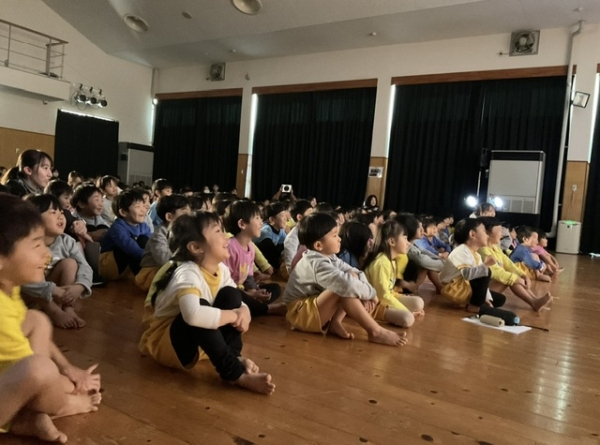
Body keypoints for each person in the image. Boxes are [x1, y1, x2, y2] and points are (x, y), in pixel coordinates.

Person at [0, 194, 101, 443]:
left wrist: (68, 370)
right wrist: (65, 392)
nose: (47, 255)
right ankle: (60, 408)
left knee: (37, 320)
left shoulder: (8, 289)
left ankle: (24, 418)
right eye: (36, 245)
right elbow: (34, 369)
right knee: (42, 371)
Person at [139, 212, 276, 395]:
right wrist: (234, 315)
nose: (226, 236)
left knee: (231, 294)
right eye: (218, 231)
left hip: (201, 340)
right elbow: (193, 315)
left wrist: (244, 311)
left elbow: (234, 296)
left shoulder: (221, 269)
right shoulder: (187, 272)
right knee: (201, 308)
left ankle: (234, 356)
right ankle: (234, 373)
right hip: (169, 344)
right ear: (196, 247)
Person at [282, 212, 407, 346]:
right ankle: (375, 331)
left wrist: (368, 294)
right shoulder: (316, 263)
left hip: (310, 306)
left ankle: (335, 322)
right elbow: (347, 285)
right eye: (335, 235)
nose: (339, 239)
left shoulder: (329, 256)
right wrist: (371, 295)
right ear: (318, 245)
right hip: (299, 313)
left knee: (350, 277)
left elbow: (357, 272)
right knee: (343, 285)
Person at [21, 194, 93, 328]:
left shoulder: (67, 241)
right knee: (37, 267)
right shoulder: (25, 243)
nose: (61, 216)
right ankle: (54, 311)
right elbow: (22, 280)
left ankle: (68, 308)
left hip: (55, 294)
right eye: (53, 212)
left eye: (61, 212)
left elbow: (85, 266)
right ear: (34, 219)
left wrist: (79, 286)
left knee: (70, 263)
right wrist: (53, 290)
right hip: (26, 296)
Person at [222, 200, 285, 317]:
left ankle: (254, 306)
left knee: (275, 288)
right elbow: (225, 284)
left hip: (243, 290)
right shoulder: (230, 247)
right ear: (242, 224)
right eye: (257, 218)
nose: (261, 222)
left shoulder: (250, 247)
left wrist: (254, 291)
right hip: (231, 291)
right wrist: (251, 295)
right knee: (233, 297)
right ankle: (266, 309)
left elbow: (249, 277)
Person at [478, 218, 552, 311]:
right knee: (511, 279)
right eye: (499, 231)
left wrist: (523, 275)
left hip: (488, 286)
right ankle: (533, 302)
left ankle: (535, 300)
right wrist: (516, 278)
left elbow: (508, 263)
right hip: (481, 290)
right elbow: (495, 272)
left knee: (513, 276)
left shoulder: (495, 247)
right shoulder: (483, 250)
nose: (502, 234)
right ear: (487, 233)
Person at [363, 220, 425, 328]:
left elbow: (389, 292)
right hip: (376, 303)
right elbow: (382, 296)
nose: (408, 243)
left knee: (418, 302)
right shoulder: (382, 263)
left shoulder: (391, 259)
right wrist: (407, 311)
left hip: (388, 296)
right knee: (408, 319)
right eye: (405, 238)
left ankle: (400, 311)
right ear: (392, 242)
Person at [439, 218, 506, 312]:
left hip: (465, 286)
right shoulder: (462, 250)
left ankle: (475, 303)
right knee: (486, 272)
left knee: (500, 299)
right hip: (454, 289)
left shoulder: (477, 254)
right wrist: (486, 265)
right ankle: (474, 306)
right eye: (484, 231)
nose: (487, 235)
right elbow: (467, 274)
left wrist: (486, 299)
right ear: (472, 234)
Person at [135, 194, 192, 290]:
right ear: (169, 216)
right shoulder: (158, 235)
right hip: (150, 273)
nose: (190, 216)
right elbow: (164, 260)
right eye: (185, 213)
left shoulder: (184, 232)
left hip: (170, 268)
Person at [100, 189, 152, 281]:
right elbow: (132, 249)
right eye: (138, 206)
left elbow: (151, 244)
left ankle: (145, 276)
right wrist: (152, 258)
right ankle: (144, 279)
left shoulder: (143, 226)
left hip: (128, 265)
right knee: (130, 245)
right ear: (123, 212)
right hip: (110, 266)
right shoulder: (117, 227)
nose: (143, 210)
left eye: (143, 206)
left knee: (143, 239)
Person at [282, 199, 314, 276]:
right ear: (299, 217)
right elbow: (290, 264)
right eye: (310, 214)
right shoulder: (292, 237)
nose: (314, 217)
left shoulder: (312, 232)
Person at [253, 202, 288, 269]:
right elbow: (271, 254)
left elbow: (287, 245)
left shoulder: (280, 230)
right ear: (272, 219)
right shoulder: (265, 231)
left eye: (285, 215)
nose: (286, 218)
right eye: (282, 215)